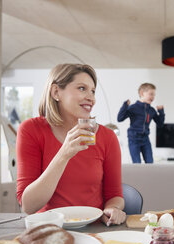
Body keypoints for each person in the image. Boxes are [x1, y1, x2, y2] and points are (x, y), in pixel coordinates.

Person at [16, 64, 126, 226]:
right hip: (48, 229)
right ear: (55, 92)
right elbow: (28, 206)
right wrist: (64, 154)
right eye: (82, 88)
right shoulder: (31, 130)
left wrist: (113, 208)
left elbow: (114, 195)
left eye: (93, 91)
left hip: (94, 228)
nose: (91, 98)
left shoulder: (107, 137)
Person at [117, 83, 165, 163]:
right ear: (142, 93)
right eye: (151, 94)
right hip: (134, 139)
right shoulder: (133, 107)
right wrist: (125, 105)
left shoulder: (151, 110)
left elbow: (160, 124)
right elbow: (120, 118)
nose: (153, 97)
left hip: (145, 139)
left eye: (154, 95)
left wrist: (161, 112)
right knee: (137, 163)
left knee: (150, 162)